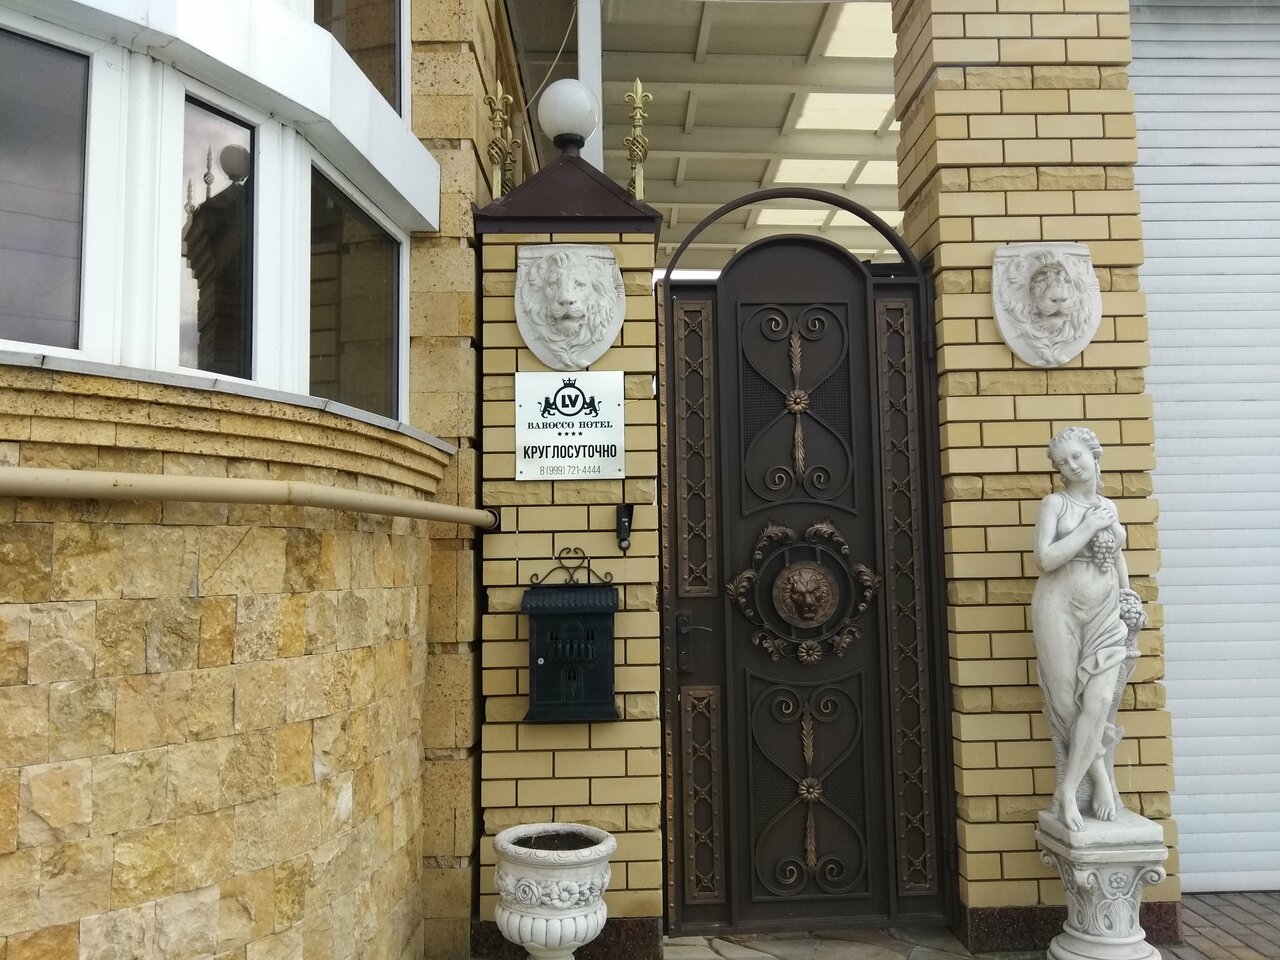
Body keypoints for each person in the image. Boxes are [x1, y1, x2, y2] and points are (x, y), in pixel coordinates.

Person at [1032, 426, 1144, 831]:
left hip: (1104, 609)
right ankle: (1097, 778)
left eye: (1077, 456)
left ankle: (1069, 789)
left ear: (1095, 456)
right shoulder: (1054, 504)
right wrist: (1088, 528)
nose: (1071, 466)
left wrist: (1128, 597)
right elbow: (1045, 559)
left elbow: (1116, 557)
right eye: (1062, 463)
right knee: (1066, 703)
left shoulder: (1108, 506)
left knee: (1098, 701)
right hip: (1058, 608)